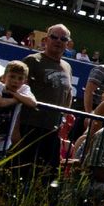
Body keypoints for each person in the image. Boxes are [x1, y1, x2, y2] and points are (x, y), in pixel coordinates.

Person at [15, 23, 74, 175]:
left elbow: (67, 94)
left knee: (48, 174)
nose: (58, 41)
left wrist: (63, 121)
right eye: (54, 37)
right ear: (46, 40)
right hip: (30, 125)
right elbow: (17, 92)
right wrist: (15, 129)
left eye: (63, 38)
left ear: (67, 43)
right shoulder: (32, 60)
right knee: (21, 170)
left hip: (52, 130)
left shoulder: (67, 67)